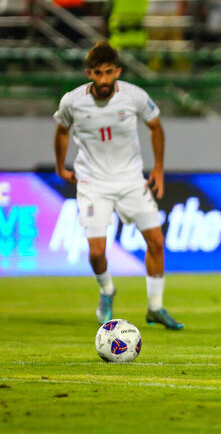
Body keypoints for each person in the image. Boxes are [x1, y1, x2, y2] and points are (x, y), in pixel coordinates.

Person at [53, 41, 183, 330]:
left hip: (130, 180)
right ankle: (107, 290)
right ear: (89, 73)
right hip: (92, 183)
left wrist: (159, 168)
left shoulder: (134, 96)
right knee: (97, 252)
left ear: (118, 71)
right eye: (98, 73)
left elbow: (155, 127)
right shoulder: (72, 101)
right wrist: (61, 167)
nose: (104, 79)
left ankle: (155, 308)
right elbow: (62, 131)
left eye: (109, 72)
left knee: (157, 242)